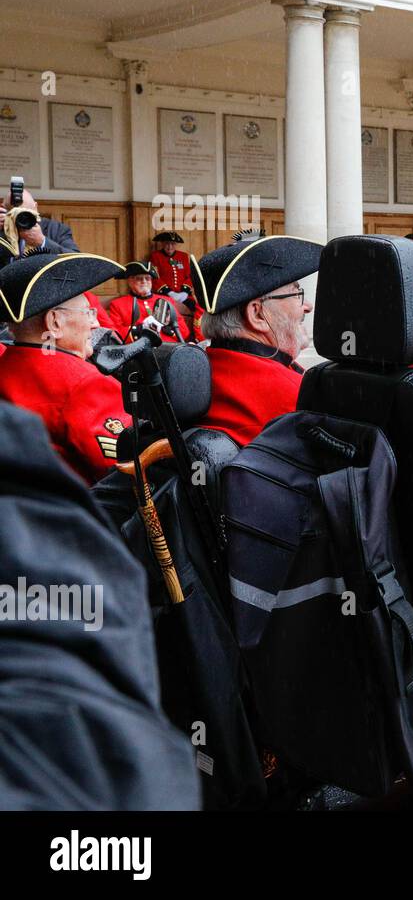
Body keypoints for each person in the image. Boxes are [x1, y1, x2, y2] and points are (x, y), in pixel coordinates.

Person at [0, 400, 201, 809]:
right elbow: (111, 458)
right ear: (54, 329)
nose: (94, 328)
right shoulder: (75, 385)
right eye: (83, 325)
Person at [0, 252, 132, 482]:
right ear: (54, 323)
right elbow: (126, 470)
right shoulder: (85, 384)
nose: (96, 323)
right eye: (89, 313)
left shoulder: (6, 363)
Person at [191, 233, 321, 446]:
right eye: (296, 292)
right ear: (258, 315)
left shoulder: (204, 367)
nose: (307, 305)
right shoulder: (294, 394)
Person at [106, 261, 191, 343]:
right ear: (130, 281)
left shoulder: (166, 301)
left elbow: (184, 332)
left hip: (168, 348)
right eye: (139, 278)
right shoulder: (118, 304)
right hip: (139, 350)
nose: (144, 281)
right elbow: (116, 334)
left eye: (147, 278)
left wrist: (166, 326)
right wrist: (141, 328)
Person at [0, 188, 79, 267]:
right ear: (3, 209)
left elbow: (78, 260)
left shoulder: (56, 229)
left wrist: (42, 241)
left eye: (25, 213)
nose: (20, 220)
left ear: (35, 208)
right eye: (13, 214)